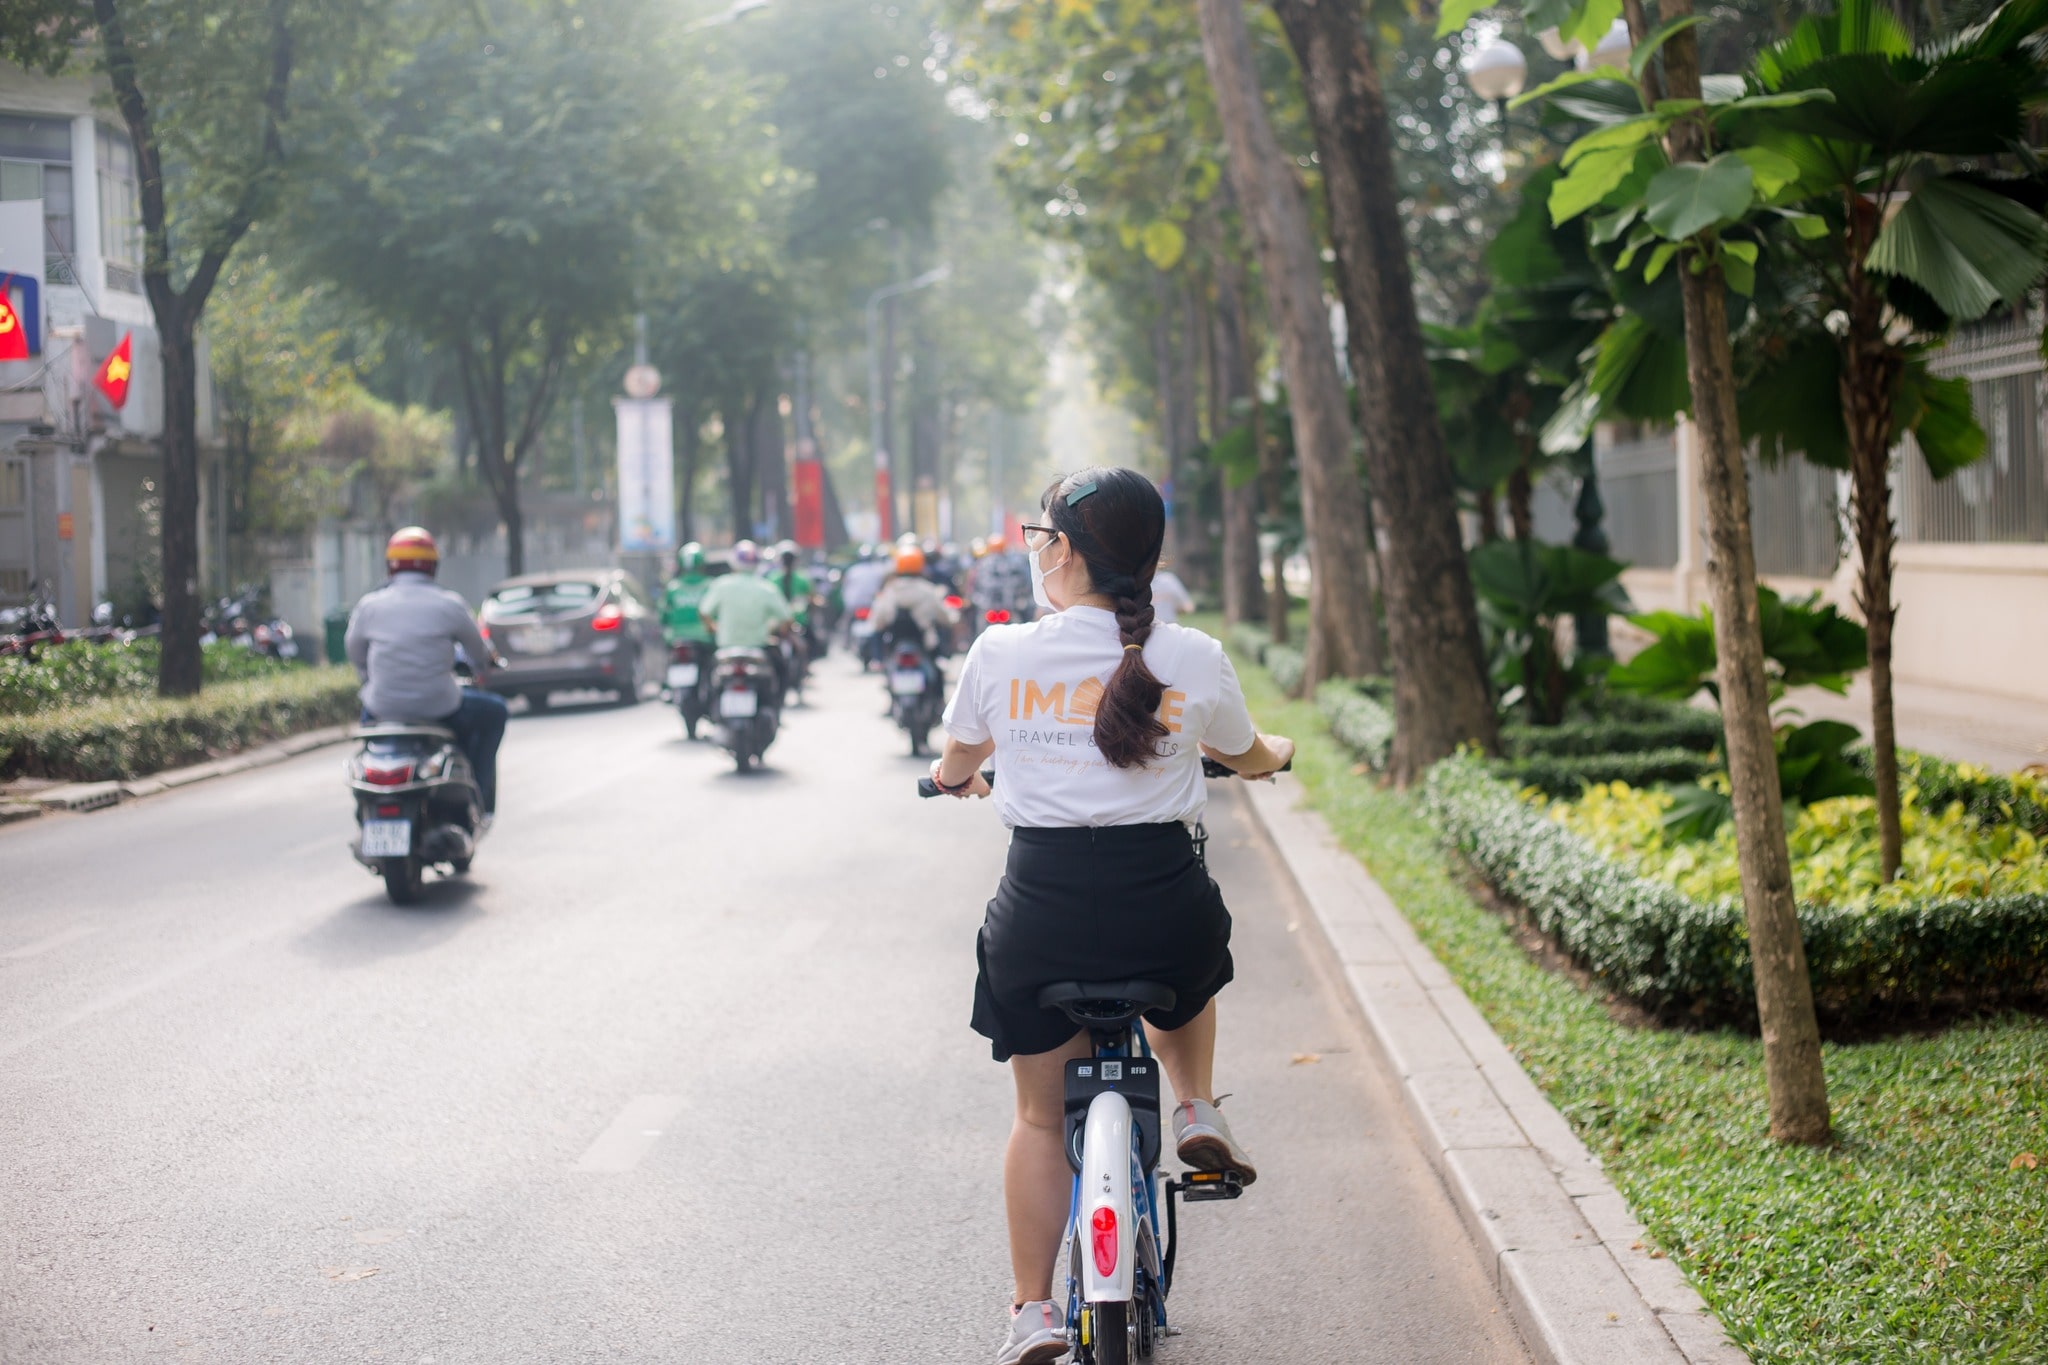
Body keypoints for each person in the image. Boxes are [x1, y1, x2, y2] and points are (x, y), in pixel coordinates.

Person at [927, 467, 1293, 1365]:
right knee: (1193, 960)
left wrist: (957, 780)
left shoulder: (1001, 654)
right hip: (1159, 903)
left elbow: (955, 760)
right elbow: (1245, 754)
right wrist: (1274, 753)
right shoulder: (1194, 655)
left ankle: (1031, 1311)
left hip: (1040, 914)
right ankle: (1195, 1104)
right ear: (1150, 555)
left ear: (1058, 550)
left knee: (1041, 1119)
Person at [345, 527, 509, 816]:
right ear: (433, 565)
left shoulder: (368, 606)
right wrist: (486, 665)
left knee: (367, 740)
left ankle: (364, 805)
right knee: (495, 711)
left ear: (390, 565)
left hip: (383, 709)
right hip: (439, 706)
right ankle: (478, 794)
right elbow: (479, 653)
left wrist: (369, 679)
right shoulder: (449, 604)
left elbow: (355, 653)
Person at [698, 540, 794, 690]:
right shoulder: (766, 588)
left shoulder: (721, 585)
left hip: (726, 647)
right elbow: (786, 618)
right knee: (781, 672)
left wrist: (713, 628)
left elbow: (704, 612)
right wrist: (775, 631)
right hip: (758, 647)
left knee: (706, 675)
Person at [868, 543, 959, 657]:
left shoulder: (890, 590)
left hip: (894, 646)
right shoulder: (927, 590)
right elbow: (944, 616)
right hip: (924, 645)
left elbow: (877, 621)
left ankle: (877, 660)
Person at [660, 542, 717, 652]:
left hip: (676, 638)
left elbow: (663, 616)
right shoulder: (711, 586)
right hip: (705, 639)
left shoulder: (673, 587)